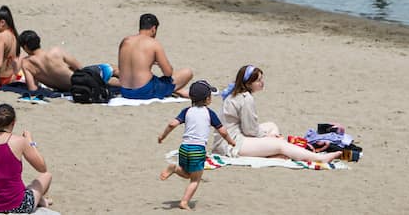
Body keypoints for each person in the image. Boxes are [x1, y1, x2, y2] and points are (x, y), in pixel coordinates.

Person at [210, 65, 343, 163]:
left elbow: (249, 128)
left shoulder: (235, 93)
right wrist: (268, 137)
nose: (262, 83)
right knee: (279, 144)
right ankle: (319, 158)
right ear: (249, 84)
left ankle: (271, 153)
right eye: (258, 81)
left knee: (271, 126)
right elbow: (250, 130)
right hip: (232, 143)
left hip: (232, 136)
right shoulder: (245, 99)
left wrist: (268, 134)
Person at [157, 81, 234, 211]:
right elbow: (222, 131)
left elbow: (172, 124)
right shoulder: (209, 113)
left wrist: (162, 136)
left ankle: (175, 168)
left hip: (184, 148)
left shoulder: (186, 111)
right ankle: (184, 202)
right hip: (198, 150)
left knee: (187, 174)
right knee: (195, 179)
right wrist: (230, 141)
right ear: (208, 99)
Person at [0, 104, 52, 214]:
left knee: (26, 188)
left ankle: (41, 200)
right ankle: (42, 201)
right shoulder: (20, 141)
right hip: (18, 205)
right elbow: (42, 167)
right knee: (47, 175)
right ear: (13, 122)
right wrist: (30, 140)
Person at [118, 13, 193, 99]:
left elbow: (122, 68)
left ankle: (177, 91)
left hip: (125, 91)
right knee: (187, 72)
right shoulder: (153, 43)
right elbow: (168, 73)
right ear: (153, 29)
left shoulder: (125, 41)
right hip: (144, 91)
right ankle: (176, 90)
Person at [16, 30, 118, 92]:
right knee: (112, 69)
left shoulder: (26, 64)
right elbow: (80, 68)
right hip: (82, 80)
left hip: (69, 88)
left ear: (25, 47)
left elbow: (32, 88)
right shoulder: (55, 52)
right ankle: (130, 86)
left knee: (105, 81)